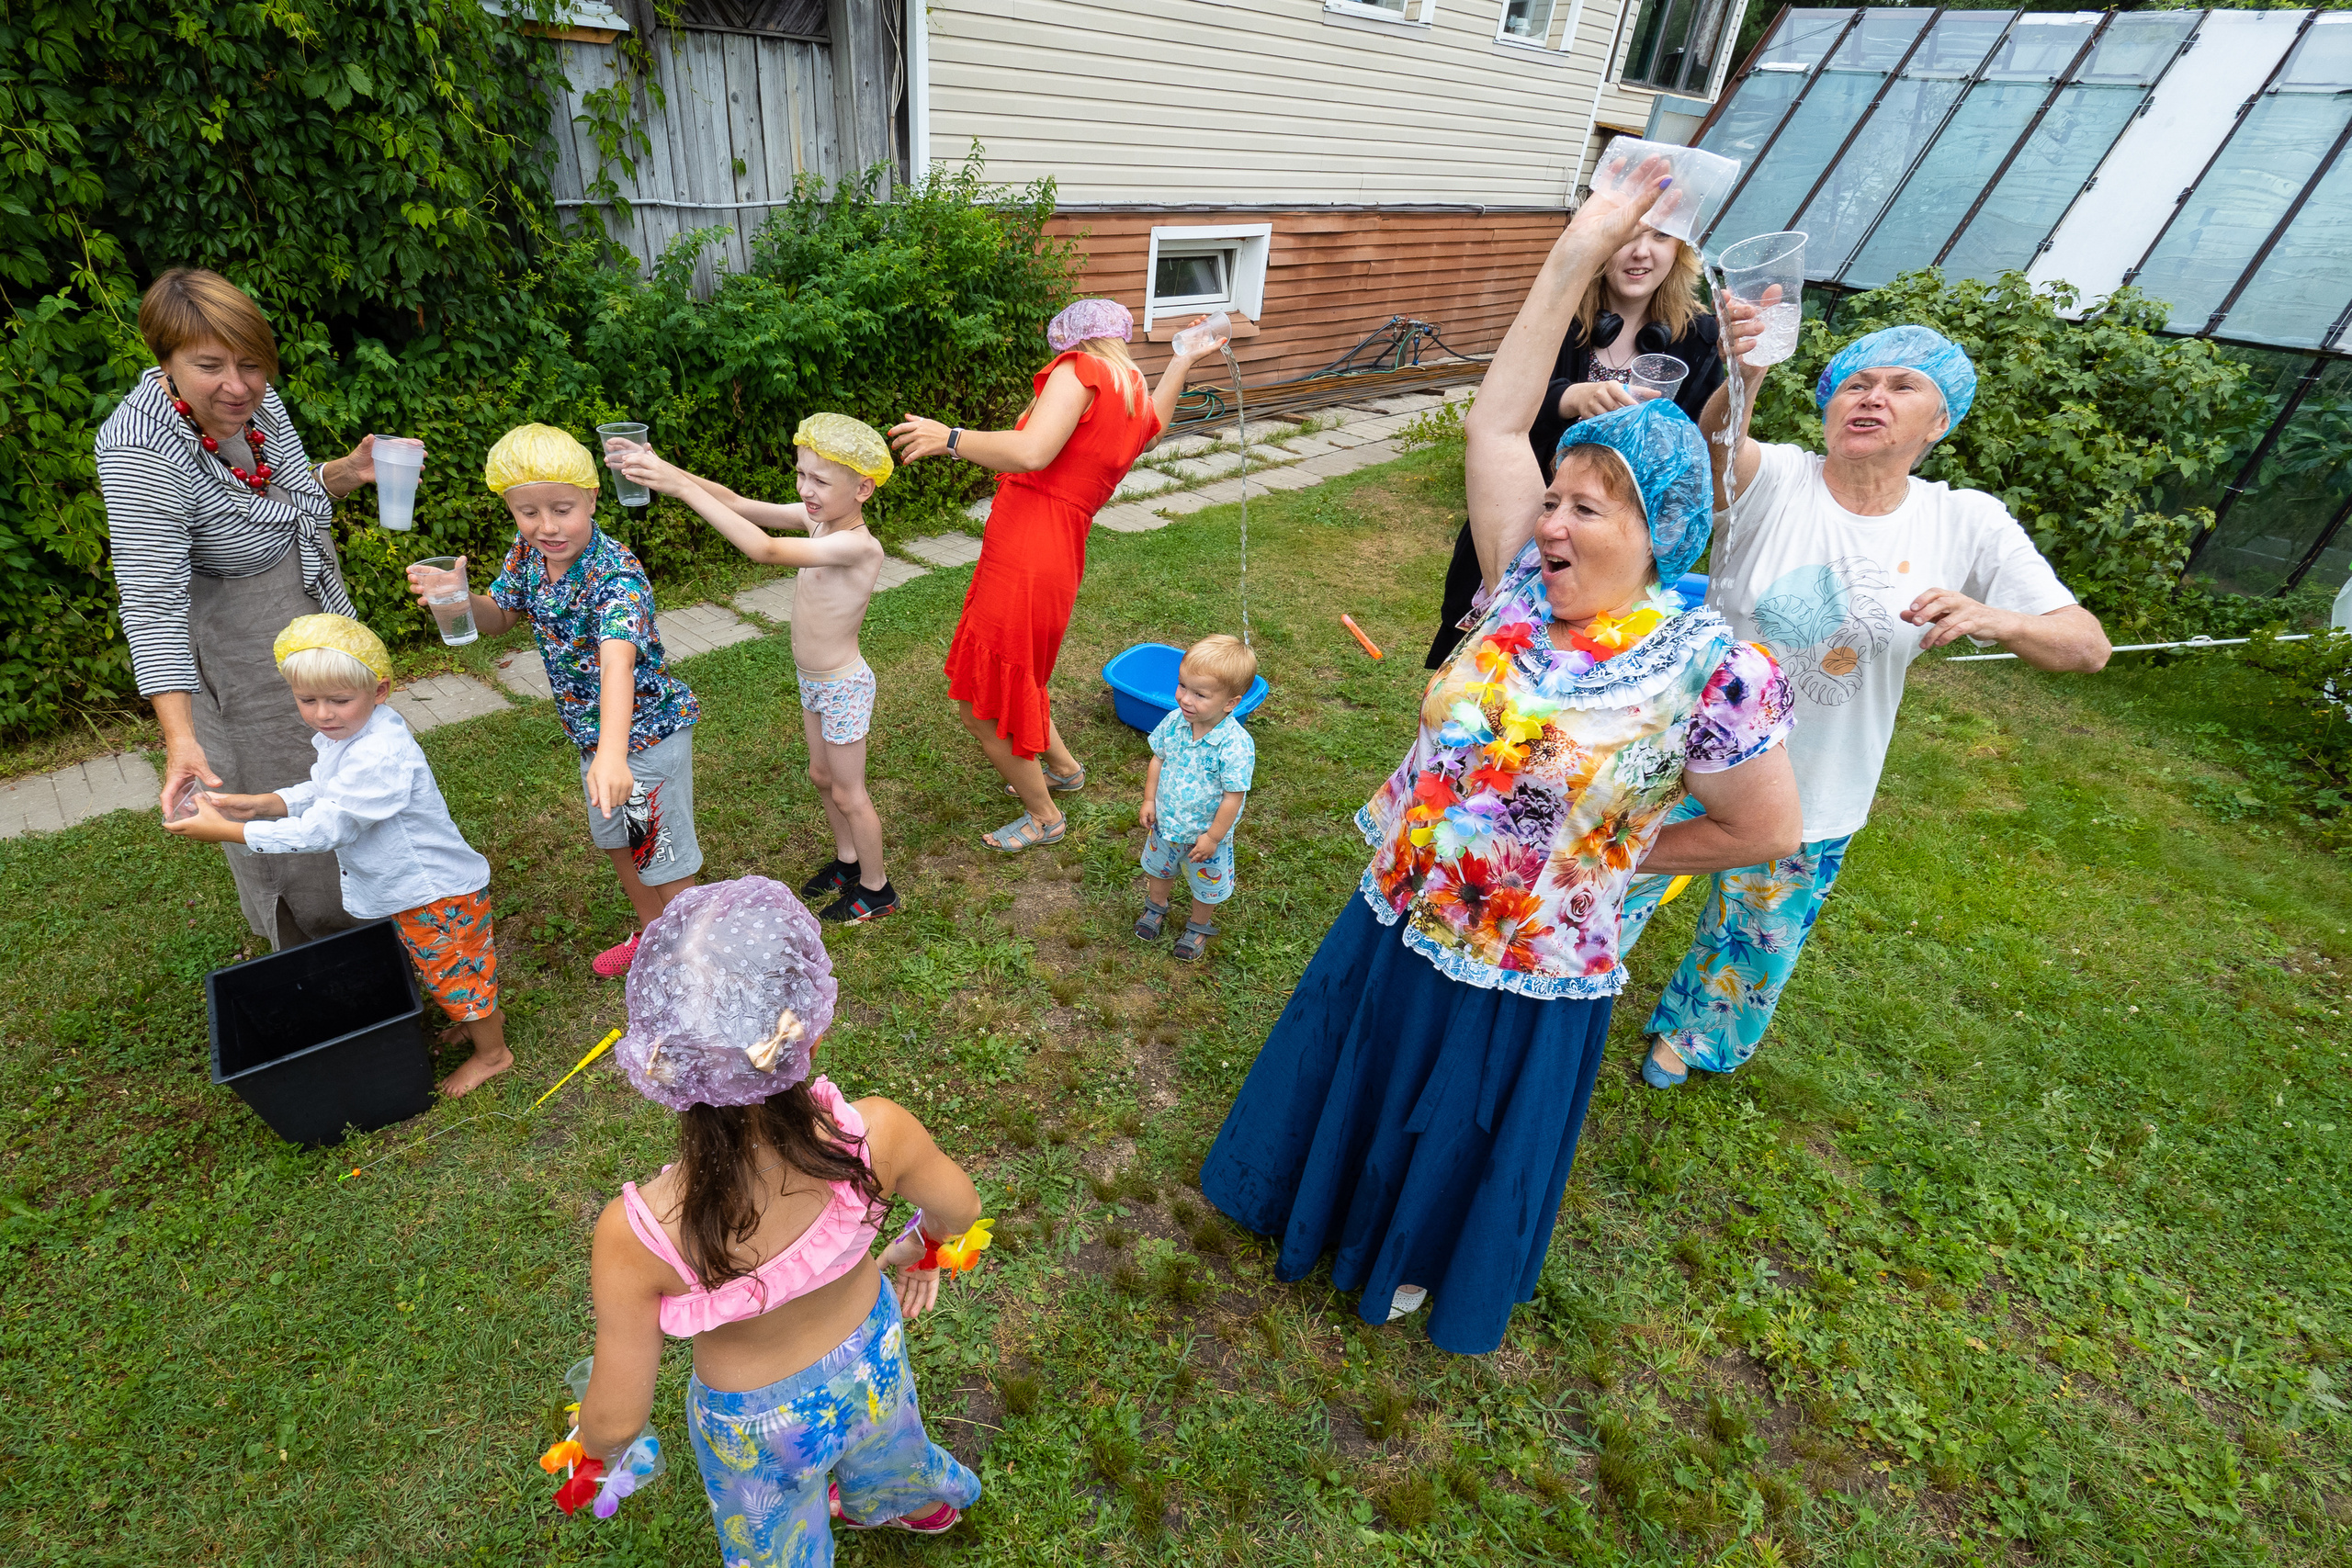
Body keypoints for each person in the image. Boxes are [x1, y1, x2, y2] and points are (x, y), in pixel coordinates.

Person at [1197, 164, 1804, 1357]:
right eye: (1557, 497)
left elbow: (1764, 828)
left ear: (1664, 531)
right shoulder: (1517, 590)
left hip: (1527, 960)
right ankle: (1308, 1203)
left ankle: (1413, 1256)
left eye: (1592, 507)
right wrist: (1575, 250)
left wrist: (1611, 852)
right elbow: (1494, 418)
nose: (1555, 521)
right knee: (1360, 1076)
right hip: (1406, 905)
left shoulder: (1711, 666)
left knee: (1455, 1121)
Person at [1616, 321, 2112, 1089]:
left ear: (1939, 423)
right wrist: (1745, 375)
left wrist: (1997, 618)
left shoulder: (1964, 520)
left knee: (1752, 937)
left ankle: (1689, 1038)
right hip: (1685, 760)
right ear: (1829, 405)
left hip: (1818, 782)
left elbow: (2087, 646)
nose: (1873, 397)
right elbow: (1711, 450)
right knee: (1605, 881)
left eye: (1902, 386)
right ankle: (1551, 981)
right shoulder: (1777, 477)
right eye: (1856, 383)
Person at [572, 876, 984, 1559]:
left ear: (664, 1069)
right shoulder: (876, 1133)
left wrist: (592, 1449)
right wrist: (924, 1246)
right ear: (810, 1032)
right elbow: (961, 1209)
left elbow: (617, 1417)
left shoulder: (637, 1232)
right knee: (889, 1442)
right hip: (872, 1357)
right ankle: (909, 1501)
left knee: (775, 1539)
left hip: (752, 1428)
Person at [97, 267, 411, 949]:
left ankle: (395, 928)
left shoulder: (252, 406)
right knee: (291, 806)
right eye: (209, 365)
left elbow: (278, 502)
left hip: (318, 624)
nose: (237, 386)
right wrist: (183, 740)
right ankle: (333, 959)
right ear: (166, 361)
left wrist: (345, 474)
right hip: (243, 657)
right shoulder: (140, 447)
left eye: (251, 365)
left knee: (359, 775)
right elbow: (152, 604)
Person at [888, 301, 1212, 852]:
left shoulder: (1077, 371)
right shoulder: (1129, 387)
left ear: (1072, 341)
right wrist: (1182, 359)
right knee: (1023, 670)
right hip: (1056, 549)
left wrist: (952, 437)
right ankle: (1061, 768)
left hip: (1029, 548)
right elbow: (1154, 430)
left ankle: (1044, 817)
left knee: (983, 703)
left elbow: (1032, 452)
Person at [163, 615, 510, 1096]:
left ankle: (493, 1053)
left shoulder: (378, 754)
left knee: (456, 972)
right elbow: (327, 791)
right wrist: (266, 803)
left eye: (339, 701)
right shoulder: (353, 733)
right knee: (445, 965)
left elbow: (330, 825)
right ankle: (472, 1020)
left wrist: (235, 831)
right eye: (308, 700)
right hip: (410, 890)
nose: (323, 713)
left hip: (435, 890)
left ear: (380, 690)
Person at [402, 425, 701, 978]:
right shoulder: (529, 554)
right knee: (617, 838)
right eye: (528, 512)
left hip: (646, 733)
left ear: (592, 497)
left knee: (658, 852)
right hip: (594, 735)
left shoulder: (616, 574)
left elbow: (619, 662)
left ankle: (702, 962)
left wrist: (613, 756)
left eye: (562, 508)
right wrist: (457, 600)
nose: (546, 526)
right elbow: (499, 618)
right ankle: (652, 940)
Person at [611, 414, 901, 924]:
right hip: (812, 680)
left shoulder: (857, 544)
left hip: (842, 687)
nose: (806, 490)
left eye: (820, 481)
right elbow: (738, 504)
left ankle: (877, 890)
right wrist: (663, 468)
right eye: (801, 474)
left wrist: (678, 485)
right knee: (821, 776)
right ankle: (848, 861)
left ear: (863, 489)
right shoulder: (819, 522)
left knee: (850, 792)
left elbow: (762, 548)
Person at [1428, 220, 1725, 668]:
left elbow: (1698, 454)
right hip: (1528, 503)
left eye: (1661, 237)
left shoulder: (1699, 336)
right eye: (1628, 234)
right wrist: (1570, 398)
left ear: (1682, 250)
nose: (1641, 252)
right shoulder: (1558, 318)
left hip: (1619, 534)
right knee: (1485, 657)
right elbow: (1502, 420)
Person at [1135, 634, 1258, 963]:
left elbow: (1233, 796)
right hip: (1166, 822)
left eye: (1200, 694)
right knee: (1160, 870)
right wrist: (1150, 800)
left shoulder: (1235, 745)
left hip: (1205, 837)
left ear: (1230, 702)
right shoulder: (1175, 722)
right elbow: (1158, 758)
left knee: (1207, 885)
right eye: (1182, 686)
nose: (1185, 699)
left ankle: (1198, 925)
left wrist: (1214, 837)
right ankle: (1156, 907)